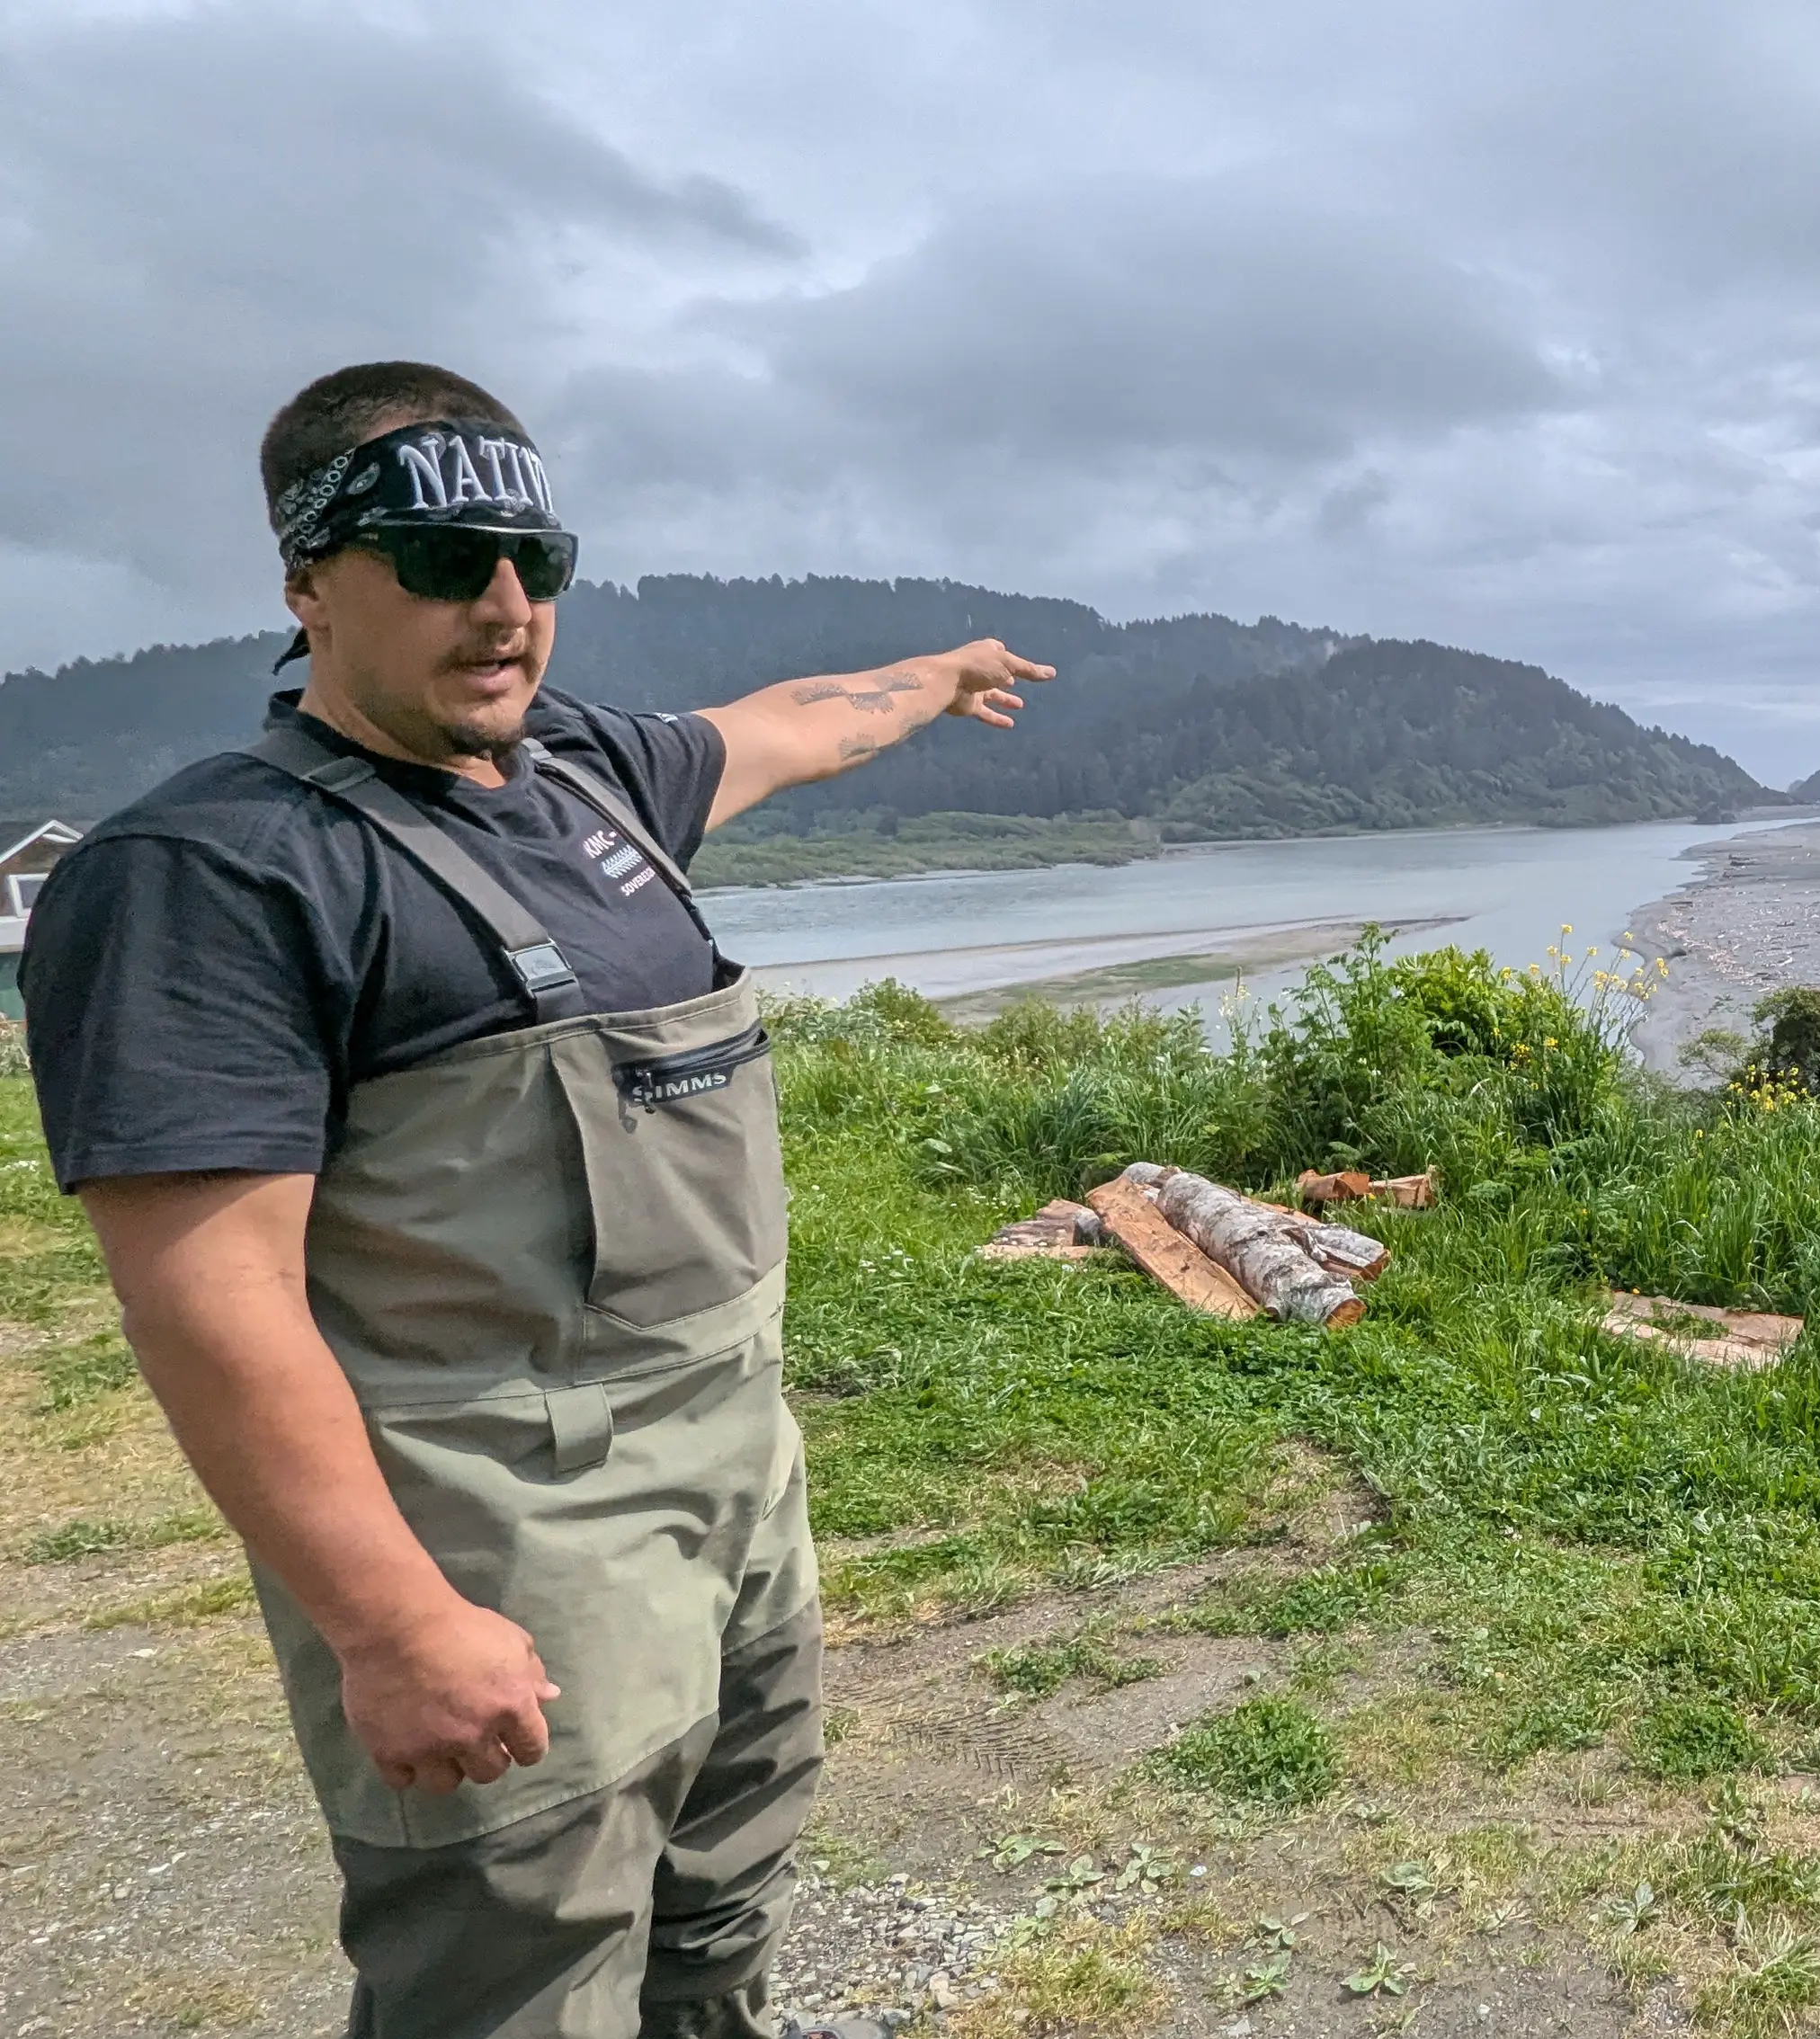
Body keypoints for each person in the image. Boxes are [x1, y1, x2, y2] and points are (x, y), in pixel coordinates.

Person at [19, 361, 1057, 2039]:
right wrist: (395, 1623)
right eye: (441, 564)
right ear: (306, 583)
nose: (503, 607)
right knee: (517, 1978)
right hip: (500, 1536)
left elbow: (788, 723)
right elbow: (211, 1301)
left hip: (734, 1479)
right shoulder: (216, 877)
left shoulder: (586, 784)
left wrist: (937, 677)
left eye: (534, 559)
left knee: (716, 1913)